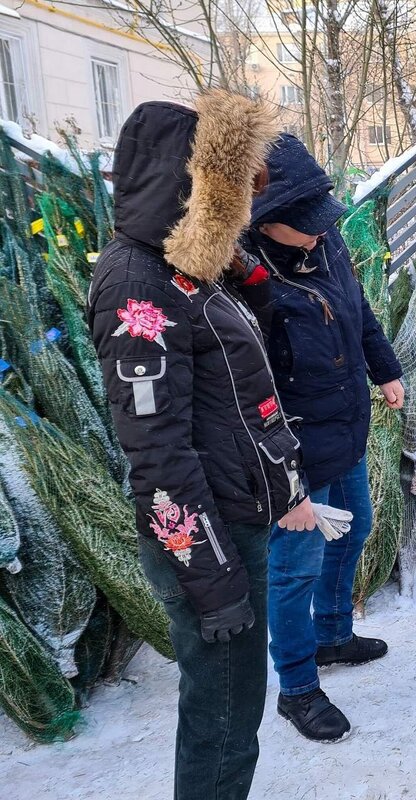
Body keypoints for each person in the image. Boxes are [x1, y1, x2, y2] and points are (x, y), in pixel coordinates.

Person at [88, 92, 304, 799]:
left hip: (232, 518)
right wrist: (211, 583)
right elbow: (157, 456)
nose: (239, 206)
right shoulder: (135, 287)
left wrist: (244, 275)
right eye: (228, 191)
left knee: (233, 712)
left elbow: (238, 373)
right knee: (221, 718)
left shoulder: (185, 271)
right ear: (184, 184)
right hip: (202, 540)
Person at [239, 134, 405, 743]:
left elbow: (356, 307)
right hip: (291, 447)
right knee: (294, 569)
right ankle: (298, 687)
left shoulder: (324, 242)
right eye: (304, 226)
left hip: (345, 424)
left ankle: (334, 632)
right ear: (265, 221)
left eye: (320, 223)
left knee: (356, 526)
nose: (319, 234)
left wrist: (384, 367)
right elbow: (239, 379)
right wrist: (275, 458)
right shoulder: (242, 273)